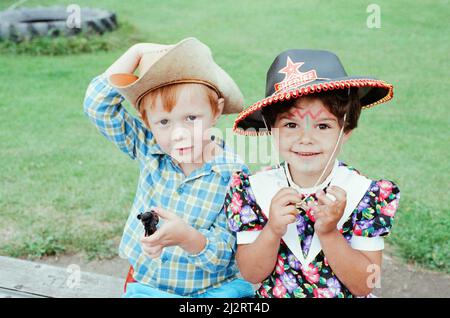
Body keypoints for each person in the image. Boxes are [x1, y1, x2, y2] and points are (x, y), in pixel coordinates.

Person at [83, 37, 254, 298]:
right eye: (163, 121)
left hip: (209, 291)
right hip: (146, 286)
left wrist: (188, 238)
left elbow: (227, 253)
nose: (178, 134)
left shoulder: (233, 174)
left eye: (191, 118)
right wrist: (136, 51)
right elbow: (98, 106)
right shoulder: (148, 148)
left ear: (216, 111)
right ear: (147, 121)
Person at [225, 49, 400, 298]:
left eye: (323, 126)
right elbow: (251, 274)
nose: (306, 139)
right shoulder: (254, 189)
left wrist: (329, 232)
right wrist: (273, 229)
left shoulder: (364, 194)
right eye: (291, 124)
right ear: (272, 130)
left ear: (346, 130)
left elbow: (365, 285)